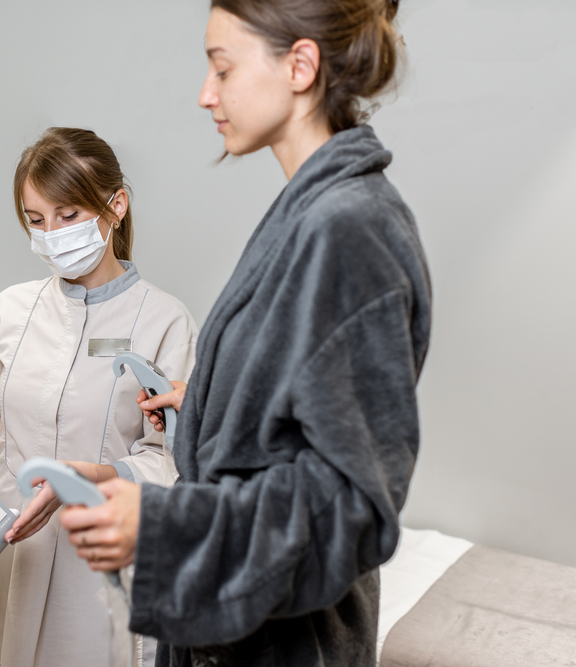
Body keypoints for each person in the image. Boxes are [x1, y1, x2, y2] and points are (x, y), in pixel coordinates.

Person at [60, 1, 430, 666]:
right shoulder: (312, 211)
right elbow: (298, 403)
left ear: (300, 65)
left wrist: (160, 524)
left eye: (221, 69)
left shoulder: (349, 229)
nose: (206, 95)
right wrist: (206, 404)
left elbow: (350, 506)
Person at [0, 127, 198, 667]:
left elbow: (169, 457)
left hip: (100, 555)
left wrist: (91, 478)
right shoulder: (6, 312)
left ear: (115, 206)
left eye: (68, 215)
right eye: (36, 220)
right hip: (13, 543)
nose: (52, 234)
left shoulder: (165, 321)